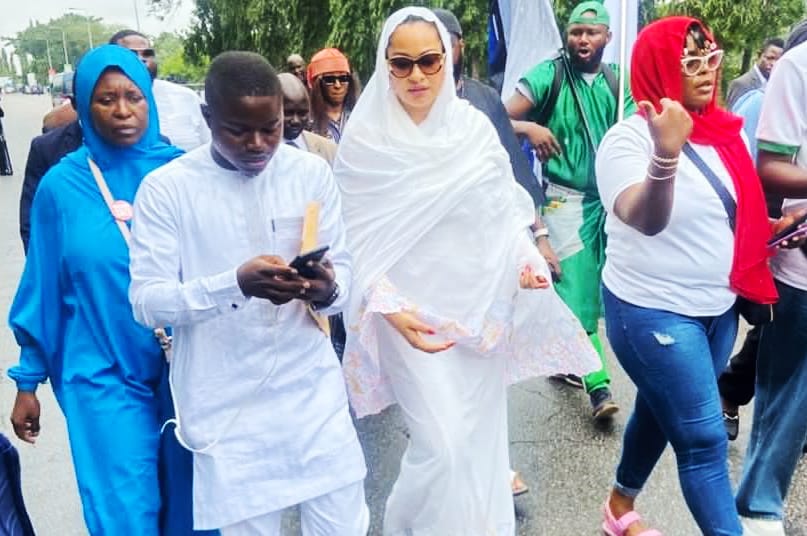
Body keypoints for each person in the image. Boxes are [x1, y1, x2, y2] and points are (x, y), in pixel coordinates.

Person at [336, 8, 600, 534]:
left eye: (428, 61)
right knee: (442, 445)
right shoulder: (365, 145)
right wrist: (386, 304)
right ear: (385, 66)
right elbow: (351, 243)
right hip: (408, 319)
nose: (416, 76)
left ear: (447, 60)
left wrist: (525, 261)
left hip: (479, 310)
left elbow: (503, 212)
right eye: (402, 63)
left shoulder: (474, 131)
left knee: (478, 445)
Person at [128, 51, 368, 535]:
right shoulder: (166, 190)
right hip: (226, 407)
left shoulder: (309, 173)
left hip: (311, 395)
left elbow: (344, 279)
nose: (259, 145)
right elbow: (146, 301)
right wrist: (234, 284)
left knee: (343, 526)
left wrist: (325, 288)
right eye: (239, 130)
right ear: (207, 117)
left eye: (272, 127)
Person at [594, 17, 793, 535]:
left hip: (718, 308)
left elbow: (726, 213)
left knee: (661, 410)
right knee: (703, 439)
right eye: (690, 63)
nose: (707, 72)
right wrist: (666, 152)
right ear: (659, 68)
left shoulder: (725, 133)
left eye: (712, 58)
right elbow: (647, 218)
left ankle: (619, 508)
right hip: (651, 310)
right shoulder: (627, 139)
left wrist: (772, 228)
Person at [7, 44, 189, 535]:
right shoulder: (61, 189)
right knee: (127, 512)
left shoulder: (185, 173)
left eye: (134, 96)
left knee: (193, 507)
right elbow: (42, 287)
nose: (123, 110)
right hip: (102, 373)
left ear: (150, 99)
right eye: (106, 99)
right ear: (83, 105)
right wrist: (28, 381)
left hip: (188, 368)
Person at [432, 5, 558, 498]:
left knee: (485, 368)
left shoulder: (485, 99)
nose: (437, 55)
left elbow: (512, 174)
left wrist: (538, 237)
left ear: (461, 45)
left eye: (447, 41)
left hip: (486, 259)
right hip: (431, 264)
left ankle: (494, 466)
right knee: (441, 374)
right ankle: (445, 470)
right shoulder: (404, 104)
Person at [505, 0, 635, 420]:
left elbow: (636, 133)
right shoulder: (549, 74)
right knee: (577, 290)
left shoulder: (619, 82)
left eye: (592, 33)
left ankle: (566, 361)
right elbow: (497, 119)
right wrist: (529, 127)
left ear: (607, 39)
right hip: (566, 202)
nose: (583, 40)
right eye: (576, 32)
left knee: (597, 293)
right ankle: (599, 387)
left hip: (610, 204)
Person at [718, 20, 807, 443]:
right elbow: (751, 170)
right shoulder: (751, 99)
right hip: (776, 225)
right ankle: (729, 391)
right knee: (769, 325)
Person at [735, 30, 807, 536]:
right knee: (789, 394)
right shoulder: (798, 67)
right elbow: (769, 168)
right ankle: (759, 507)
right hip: (802, 271)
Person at [110, 30, 210, 152]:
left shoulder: (185, 96)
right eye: (132, 54)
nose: (142, 59)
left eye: (147, 54)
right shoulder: (104, 103)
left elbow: (208, 145)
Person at [278, 72, 337, 165]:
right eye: (288, 113)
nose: (296, 121)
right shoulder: (256, 153)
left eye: (302, 113)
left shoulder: (329, 150)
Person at [307, 47, 358, 142]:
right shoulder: (307, 122)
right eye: (330, 80)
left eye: (343, 78)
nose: (338, 85)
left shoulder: (360, 116)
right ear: (317, 84)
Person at [726, 37, 785, 109]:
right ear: (759, 56)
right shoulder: (741, 84)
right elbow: (731, 115)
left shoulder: (777, 85)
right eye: (770, 58)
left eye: (779, 60)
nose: (773, 63)